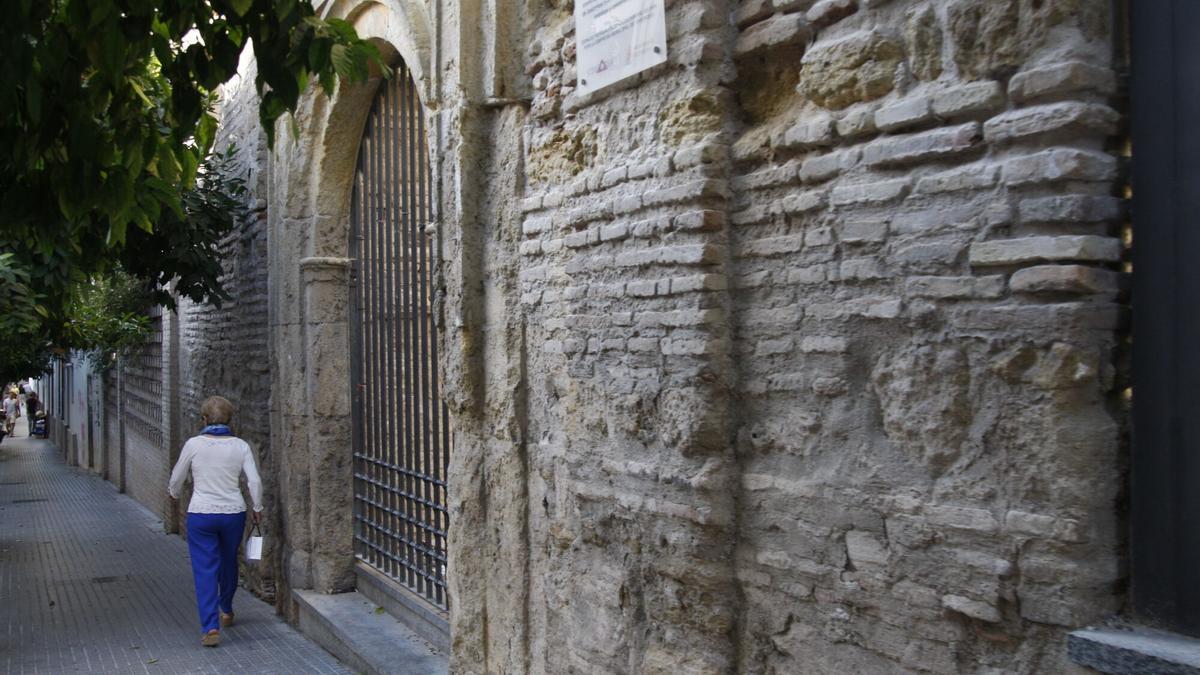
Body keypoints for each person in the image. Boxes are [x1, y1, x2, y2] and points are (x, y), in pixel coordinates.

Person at [167, 396, 263, 648]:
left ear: (204, 419)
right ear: (230, 419)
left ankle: (210, 627)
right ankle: (227, 609)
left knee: (205, 569)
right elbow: (254, 481)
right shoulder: (240, 446)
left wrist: (174, 494)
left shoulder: (194, 444)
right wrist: (258, 507)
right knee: (229, 560)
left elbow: (177, 476)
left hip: (201, 514)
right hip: (233, 513)